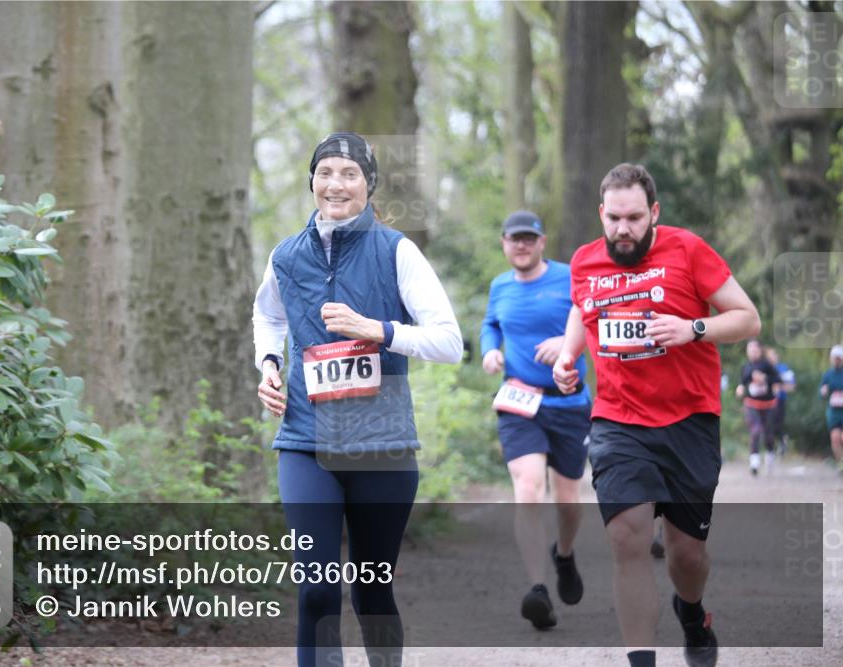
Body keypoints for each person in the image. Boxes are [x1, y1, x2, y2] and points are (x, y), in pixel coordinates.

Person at [253, 132, 463, 667]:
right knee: (318, 589)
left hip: (384, 445)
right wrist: (270, 365)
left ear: (369, 183)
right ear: (311, 182)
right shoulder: (287, 255)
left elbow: (447, 340)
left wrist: (379, 329)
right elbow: (267, 315)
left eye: (349, 173)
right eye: (325, 172)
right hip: (305, 439)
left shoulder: (397, 250)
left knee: (372, 592)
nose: (335, 184)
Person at [552, 163, 761, 667]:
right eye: (615, 218)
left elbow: (748, 319)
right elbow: (584, 307)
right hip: (618, 423)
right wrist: (567, 355)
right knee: (629, 540)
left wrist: (694, 328)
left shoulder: (688, 250)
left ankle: (692, 615)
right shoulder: (584, 262)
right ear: (602, 214)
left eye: (635, 218)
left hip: (690, 421)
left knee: (687, 557)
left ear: (654, 213)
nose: (624, 229)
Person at [479, 210, 589, 630]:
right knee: (528, 487)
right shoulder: (500, 286)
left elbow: (592, 321)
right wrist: (490, 348)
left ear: (542, 242)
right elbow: (490, 323)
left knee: (567, 500)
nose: (521, 246)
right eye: (514, 239)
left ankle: (563, 553)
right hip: (518, 402)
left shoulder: (568, 277)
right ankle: (538, 588)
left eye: (529, 239)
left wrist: (567, 341)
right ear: (504, 243)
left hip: (568, 403)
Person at [734, 340, 782, 475]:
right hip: (751, 404)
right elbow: (742, 382)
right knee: (755, 431)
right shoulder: (746, 367)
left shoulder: (767, 365)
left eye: (754, 350)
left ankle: (770, 457)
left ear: (760, 351)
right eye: (749, 350)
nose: (752, 352)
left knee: (768, 434)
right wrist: (740, 388)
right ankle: (754, 464)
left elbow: (778, 379)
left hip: (768, 404)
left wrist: (764, 378)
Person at [764, 346, 795, 457]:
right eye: (769, 356)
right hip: (765, 402)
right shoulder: (764, 369)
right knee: (767, 426)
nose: (771, 358)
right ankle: (771, 450)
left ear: (777, 356)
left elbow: (792, 387)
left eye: (773, 355)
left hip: (779, 401)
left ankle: (781, 442)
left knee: (777, 425)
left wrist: (779, 386)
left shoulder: (784, 369)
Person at [820, 344, 843, 471]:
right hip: (834, 411)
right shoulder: (828, 374)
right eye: (834, 358)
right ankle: (841, 463)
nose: (836, 360)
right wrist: (823, 391)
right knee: (835, 438)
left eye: (838, 358)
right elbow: (822, 391)